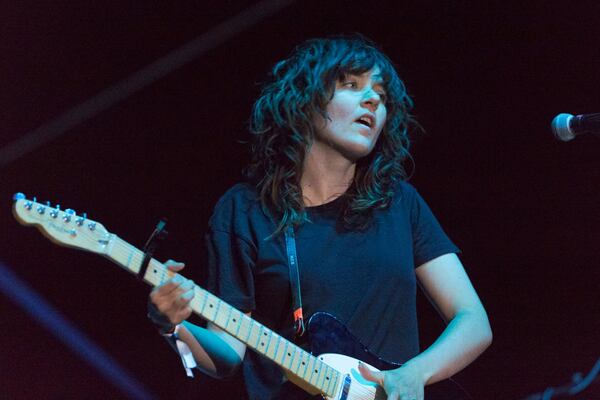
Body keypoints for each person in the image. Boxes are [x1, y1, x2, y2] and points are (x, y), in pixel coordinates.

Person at [148, 35, 492, 400]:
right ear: (306, 101)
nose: (374, 99)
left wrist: (415, 374)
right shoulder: (245, 211)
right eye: (351, 85)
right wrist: (172, 326)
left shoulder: (399, 203)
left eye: (382, 95)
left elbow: (473, 320)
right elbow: (227, 354)